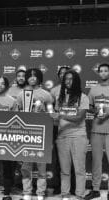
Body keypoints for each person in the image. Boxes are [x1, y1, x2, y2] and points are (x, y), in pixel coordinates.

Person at [86, 63, 109, 200]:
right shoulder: (94, 89)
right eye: (101, 71)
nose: (103, 73)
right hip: (96, 128)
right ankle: (95, 189)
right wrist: (96, 111)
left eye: (106, 71)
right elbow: (89, 107)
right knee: (96, 161)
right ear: (99, 73)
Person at [16, 68, 53, 200]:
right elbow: (16, 113)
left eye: (35, 76)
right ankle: (27, 191)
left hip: (41, 135)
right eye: (30, 76)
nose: (32, 78)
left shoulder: (46, 95)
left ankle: (40, 193)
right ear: (26, 78)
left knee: (41, 165)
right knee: (26, 166)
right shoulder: (21, 94)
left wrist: (45, 111)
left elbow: (52, 114)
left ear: (39, 78)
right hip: (26, 134)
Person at [51, 69, 89, 200]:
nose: (68, 81)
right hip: (62, 136)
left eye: (71, 79)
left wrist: (61, 115)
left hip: (78, 136)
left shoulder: (83, 97)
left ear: (76, 81)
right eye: (66, 79)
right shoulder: (59, 98)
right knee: (64, 169)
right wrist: (49, 117)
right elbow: (57, 120)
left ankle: (79, 194)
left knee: (79, 169)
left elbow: (79, 118)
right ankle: (65, 193)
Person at [49, 66, 70, 195]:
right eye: (61, 73)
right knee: (59, 157)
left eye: (66, 73)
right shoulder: (54, 90)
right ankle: (58, 185)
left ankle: (71, 185)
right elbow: (50, 107)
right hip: (58, 126)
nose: (63, 75)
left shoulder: (76, 90)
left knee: (72, 157)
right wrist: (53, 112)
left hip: (72, 127)